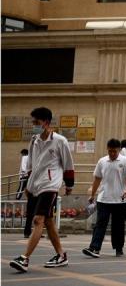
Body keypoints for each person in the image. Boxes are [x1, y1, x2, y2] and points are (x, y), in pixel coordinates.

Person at [10, 107, 75, 272]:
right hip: (35, 186)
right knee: (48, 221)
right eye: (33, 122)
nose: (34, 125)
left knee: (38, 220)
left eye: (36, 122)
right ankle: (61, 255)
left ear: (46, 122)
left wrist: (69, 185)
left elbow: (68, 164)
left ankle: (24, 259)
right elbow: (31, 165)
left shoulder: (60, 141)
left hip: (50, 185)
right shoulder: (34, 140)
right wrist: (27, 185)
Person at [82, 138, 126, 258]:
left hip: (119, 199)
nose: (112, 154)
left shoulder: (125, 160)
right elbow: (97, 179)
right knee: (100, 224)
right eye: (110, 151)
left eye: (114, 151)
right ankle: (94, 248)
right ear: (107, 149)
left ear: (118, 150)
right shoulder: (102, 161)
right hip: (103, 198)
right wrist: (92, 194)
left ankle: (118, 248)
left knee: (118, 225)